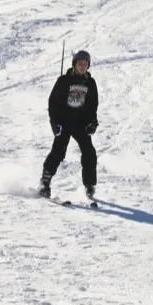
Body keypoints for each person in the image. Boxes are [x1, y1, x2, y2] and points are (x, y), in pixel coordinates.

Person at [39, 49, 100, 202]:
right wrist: (54, 123)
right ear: (74, 64)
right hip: (64, 122)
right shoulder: (64, 80)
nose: (82, 66)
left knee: (89, 152)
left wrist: (92, 122)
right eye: (80, 63)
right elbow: (53, 102)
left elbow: (92, 105)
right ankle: (45, 183)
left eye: (85, 64)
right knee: (58, 151)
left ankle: (89, 185)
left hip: (80, 124)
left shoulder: (90, 83)